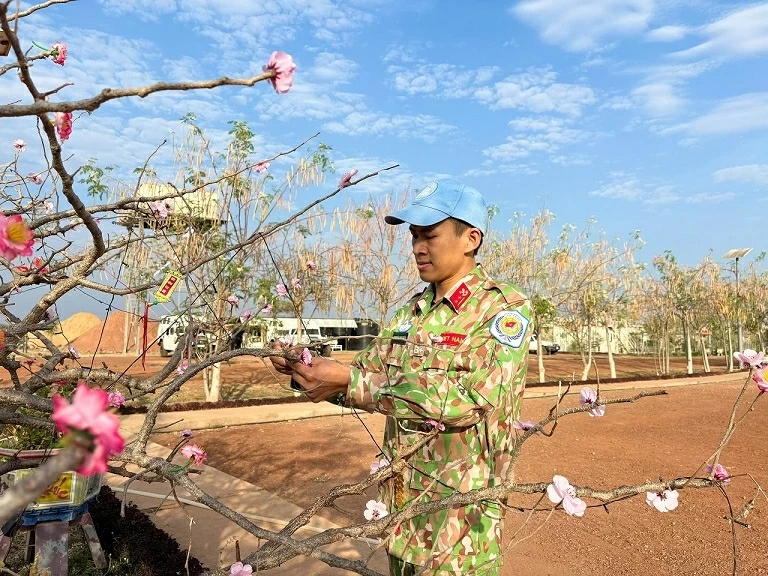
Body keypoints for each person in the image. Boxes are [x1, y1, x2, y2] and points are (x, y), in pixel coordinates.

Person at [270, 179, 532, 575]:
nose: (417, 248)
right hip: (402, 517)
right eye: (413, 237)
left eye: (429, 235)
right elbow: (365, 378)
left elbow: (468, 400)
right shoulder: (409, 312)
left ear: (471, 238)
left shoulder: (503, 308)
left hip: (460, 529)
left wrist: (350, 381)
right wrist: (305, 369)